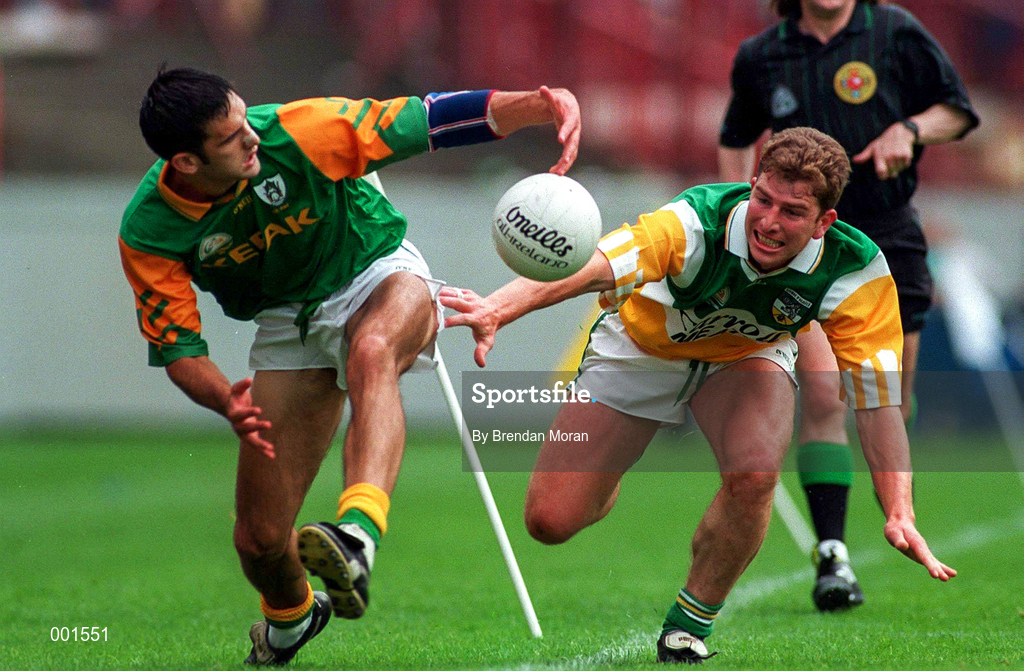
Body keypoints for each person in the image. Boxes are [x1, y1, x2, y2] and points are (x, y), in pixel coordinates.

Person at [119, 67, 580, 666]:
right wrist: (224, 400)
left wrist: (544, 104)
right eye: (231, 138)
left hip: (376, 268)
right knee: (259, 542)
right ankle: (292, 621)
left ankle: (357, 535)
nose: (251, 137)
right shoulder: (149, 229)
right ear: (184, 162)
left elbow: (429, 119)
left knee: (372, 352)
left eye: (245, 117)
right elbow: (179, 348)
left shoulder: (299, 131)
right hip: (288, 322)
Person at [442, 127, 955, 664]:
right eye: (764, 199)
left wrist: (899, 510)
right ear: (752, 183)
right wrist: (499, 307)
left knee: (756, 473)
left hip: (746, 357)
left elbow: (877, 405)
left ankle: (689, 626)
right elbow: (593, 266)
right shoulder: (693, 222)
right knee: (549, 522)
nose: (769, 222)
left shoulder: (857, 273)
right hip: (642, 349)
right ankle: (608, 473)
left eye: (793, 212)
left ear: (826, 222)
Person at [718, 0, 978, 611]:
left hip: (888, 239)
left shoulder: (893, 31)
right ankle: (832, 554)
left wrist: (909, 130)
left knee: (888, 399)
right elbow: (733, 139)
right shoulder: (763, 55)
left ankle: (891, 509)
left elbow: (958, 112)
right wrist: (737, 213)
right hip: (807, 247)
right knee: (828, 394)